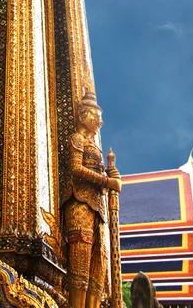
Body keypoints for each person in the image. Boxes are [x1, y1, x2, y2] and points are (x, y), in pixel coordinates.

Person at [62, 91, 121, 308]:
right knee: (80, 261)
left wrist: (110, 181)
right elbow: (76, 169)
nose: (100, 121)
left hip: (97, 206)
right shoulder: (76, 139)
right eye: (95, 115)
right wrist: (107, 182)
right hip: (79, 202)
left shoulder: (94, 145)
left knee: (99, 263)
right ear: (82, 115)